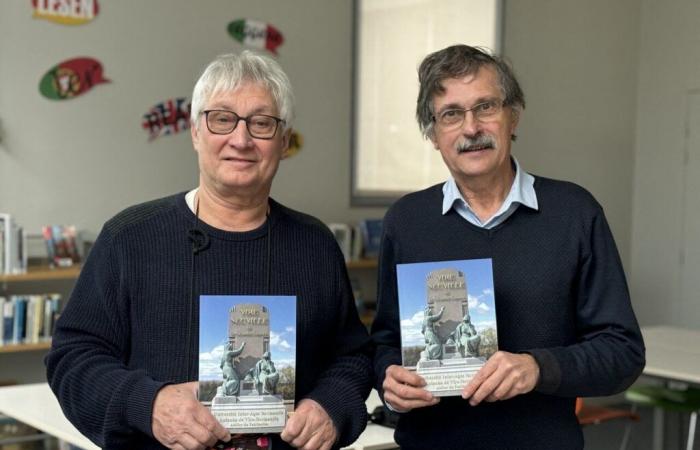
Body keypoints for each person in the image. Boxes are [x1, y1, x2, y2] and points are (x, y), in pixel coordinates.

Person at [46, 51, 373, 450]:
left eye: (262, 123)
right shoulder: (129, 237)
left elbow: (353, 357)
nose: (241, 139)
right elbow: (72, 359)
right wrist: (148, 404)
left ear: (284, 142)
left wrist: (332, 406)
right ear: (195, 131)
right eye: (222, 119)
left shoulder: (315, 244)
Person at [370, 44, 645, 449]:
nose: (471, 128)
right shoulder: (406, 221)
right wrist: (389, 376)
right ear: (433, 134)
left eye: (486, 107)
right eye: (451, 114)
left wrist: (538, 368)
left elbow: (622, 354)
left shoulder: (574, 213)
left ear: (512, 116)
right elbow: (385, 341)